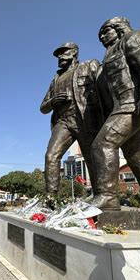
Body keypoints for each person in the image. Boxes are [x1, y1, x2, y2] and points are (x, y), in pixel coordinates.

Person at [91, 17, 140, 210]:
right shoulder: (109, 56)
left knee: (103, 144)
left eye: (105, 30)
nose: (101, 36)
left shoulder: (134, 37)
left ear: (119, 28)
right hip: (124, 107)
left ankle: (107, 196)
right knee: (139, 157)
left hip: (133, 104)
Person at [40, 42, 101, 195]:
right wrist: (53, 101)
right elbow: (43, 108)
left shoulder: (88, 66)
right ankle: (51, 197)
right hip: (63, 122)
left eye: (64, 52)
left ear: (74, 52)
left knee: (91, 158)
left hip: (84, 119)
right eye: (58, 54)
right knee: (51, 156)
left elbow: (104, 89)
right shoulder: (56, 79)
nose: (60, 56)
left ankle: (101, 195)